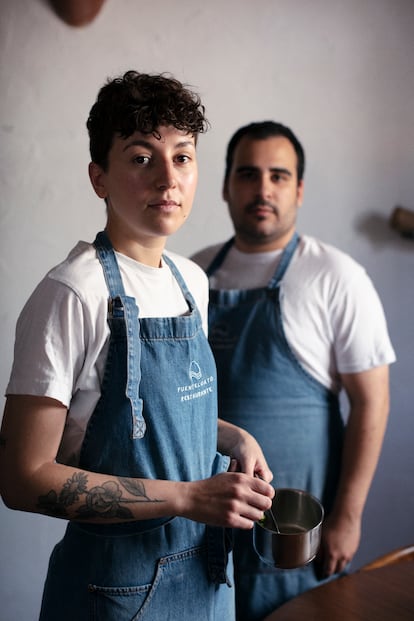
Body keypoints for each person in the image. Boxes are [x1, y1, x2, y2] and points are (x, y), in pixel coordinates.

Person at [0, 73, 275, 621]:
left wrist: (233, 435)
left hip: (208, 576)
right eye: (142, 157)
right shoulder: (71, 294)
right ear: (99, 178)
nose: (168, 179)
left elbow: (152, 414)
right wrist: (189, 498)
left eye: (183, 157)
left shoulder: (190, 282)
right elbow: (21, 478)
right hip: (114, 591)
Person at [191, 121, 396, 621]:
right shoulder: (192, 273)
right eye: (248, 174)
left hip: (293, 532)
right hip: (197, 528)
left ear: (299, 189)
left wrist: (347, 517)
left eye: (279, 176)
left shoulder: (336, 276)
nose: (263, 189)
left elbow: (372, 402)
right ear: (225, 186)